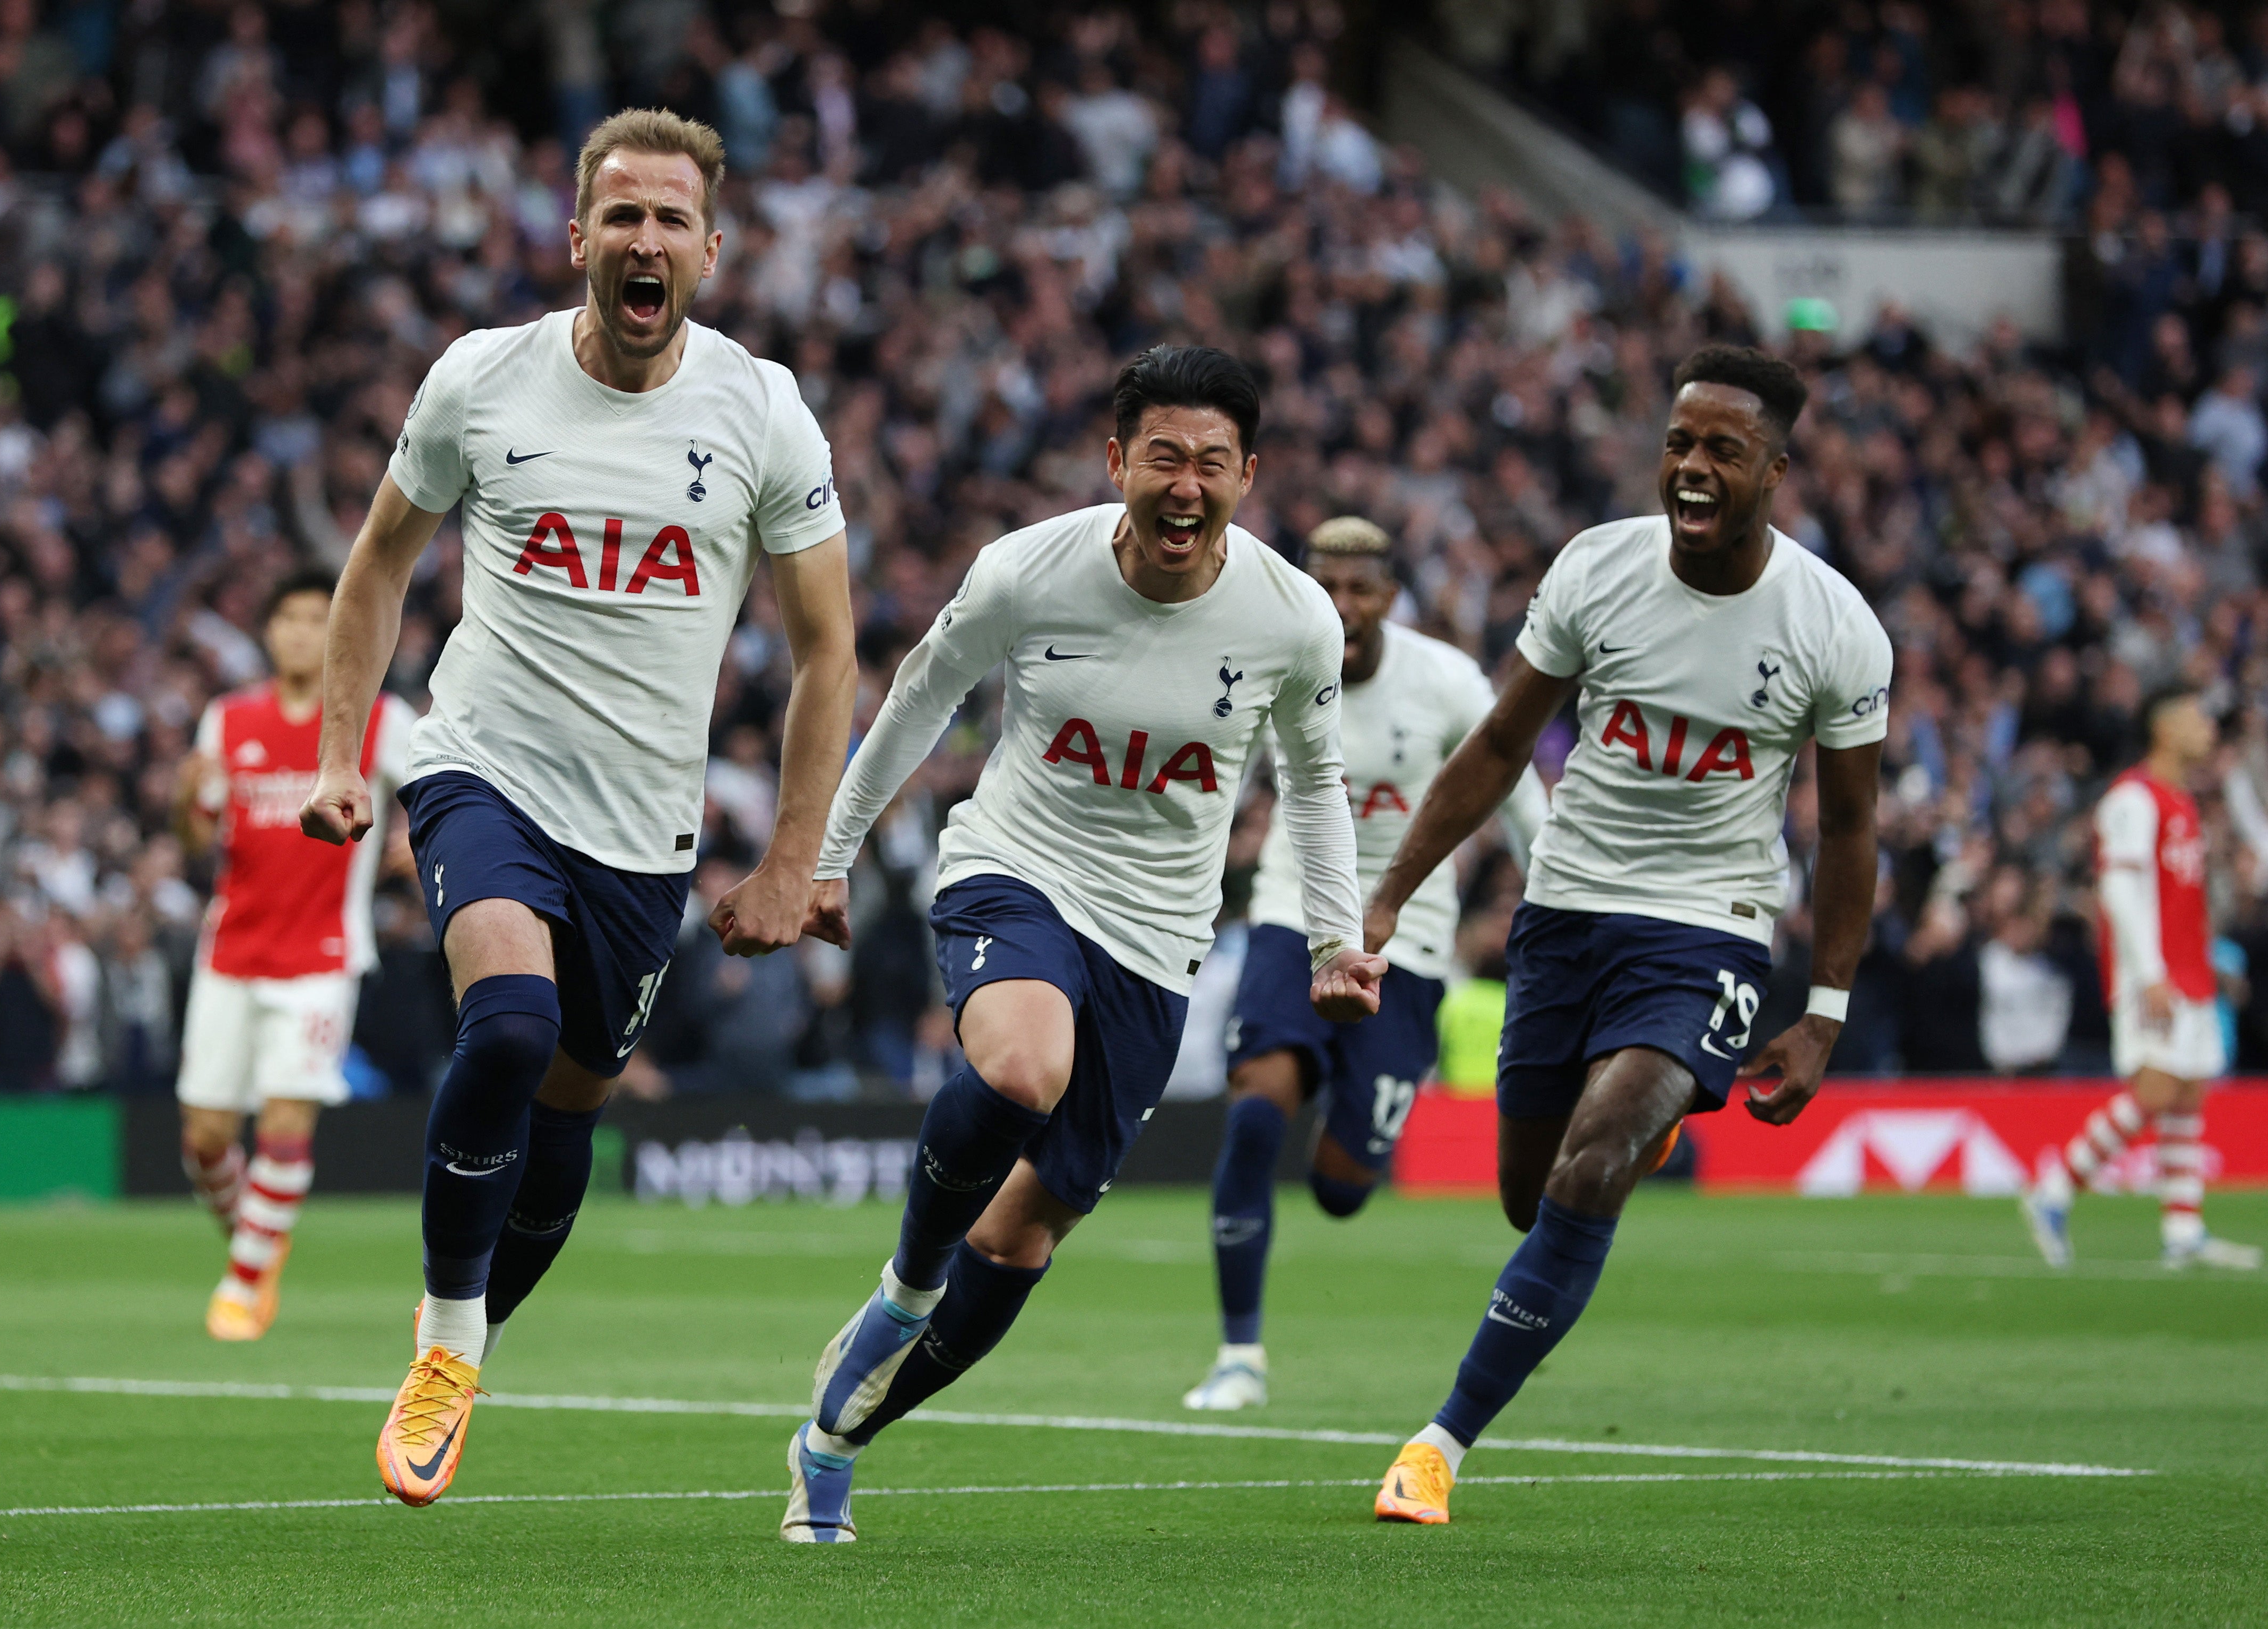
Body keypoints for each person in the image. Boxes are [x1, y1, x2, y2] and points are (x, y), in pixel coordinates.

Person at [298, 108, 856, 1507]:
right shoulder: (482, 382)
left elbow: (827, 648)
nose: (645, 241)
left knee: (558, 1143)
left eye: (672, 219)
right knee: (511, 1024)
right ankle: (442, 1341)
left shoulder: (760, 408)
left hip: (641, 839)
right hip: (480, 765)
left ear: (712, 251)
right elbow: (374, 570)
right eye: (622, 216)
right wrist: (341, 756)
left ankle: (470, 1333)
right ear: (577, 238)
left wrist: (796, 858)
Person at [780, 345, 1383, 1544]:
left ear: (1247, 477)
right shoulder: (1025, 570)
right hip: (1017, 870)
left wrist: (1334, 938)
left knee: (1026, 1236)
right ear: (1116, 460)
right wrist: (832, 854)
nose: (1184, 484)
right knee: (1019, 1070)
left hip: (1159, 943)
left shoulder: (1291, 618)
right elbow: (922, 694)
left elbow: (1314, 783)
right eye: (1162, 455)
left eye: (1212, 462)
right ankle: (903, 1286)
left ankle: (836, 1438)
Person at [1357, 344, 1892, 1524]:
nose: (1693, 468)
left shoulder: (1834, 626)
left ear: (1776, 471)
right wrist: (1389, 893)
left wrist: (1827, 1013)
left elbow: (1850, 828)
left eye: (1724, 452)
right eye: (1679, 444)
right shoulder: (1596, 569)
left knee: (1592, 1160)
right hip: (1566, 909)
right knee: (1530, 1194)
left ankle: (1439, 1445)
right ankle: (1638, 1127)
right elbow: (1500, 747)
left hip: (1709, 927)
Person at [1181, 514, 1547, 1411]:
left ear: (1387, 596)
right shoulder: (1269, 660)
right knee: (1255, 1112)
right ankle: (1238, 1356)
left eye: (1358, 589)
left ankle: (1331, 1092)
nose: (1339, 606)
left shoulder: (1446, 682)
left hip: (1408, 944)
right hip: (1288, 913)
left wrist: (1554, 902)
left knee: (1344, 1189)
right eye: (1324, 587)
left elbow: (1518, 796)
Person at [172, 567, 412, 1342]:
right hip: (232, 947)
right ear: (269, 631)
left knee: (284, 1122)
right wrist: (184, 800)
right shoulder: (228, 717)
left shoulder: (380, 720)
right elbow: (195, 839)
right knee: (205, 1139)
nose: (303, 632)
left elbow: (440, 794)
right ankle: (260, 1238)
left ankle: (243, 1282)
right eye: (290, 618)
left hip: (323, 953)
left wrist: (416, 846)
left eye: (319, 618)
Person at [2021, 686, 2264, 1272]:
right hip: (2149, 973)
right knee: (2155, 1089)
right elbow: (2119, 889)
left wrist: (2208, 961)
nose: (2208, 728)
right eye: (2197, 716)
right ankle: (2053, 1189)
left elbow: (2180, 897)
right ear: (2165, 727)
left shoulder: (2182, 800)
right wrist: (2150, 973)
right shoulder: (2132, 798)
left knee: (2188, 1090)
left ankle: (2183, 1228)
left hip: (2190, 969)